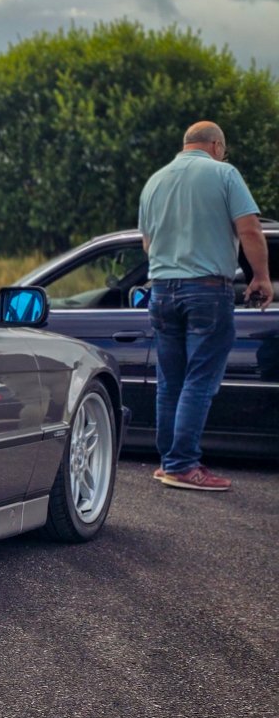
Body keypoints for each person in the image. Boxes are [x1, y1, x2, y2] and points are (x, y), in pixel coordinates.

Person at [139, 120, 272, 491]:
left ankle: (169, 462)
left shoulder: (154, 181)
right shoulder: (224, 173)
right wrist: (260, 277)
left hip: (162, 292)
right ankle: (182, 465)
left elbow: (147, 245)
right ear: (216, 145)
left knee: (170, 383)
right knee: (200, 380)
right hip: (207, 291)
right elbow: (250, 229)